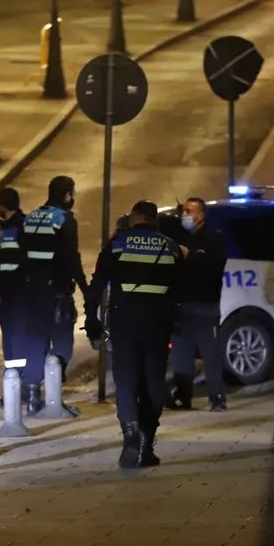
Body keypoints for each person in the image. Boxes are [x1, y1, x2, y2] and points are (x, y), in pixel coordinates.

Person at [85, 200, 183, 469]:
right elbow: (182, 289)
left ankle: (130, 436)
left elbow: (96, 285)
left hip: (123, 323)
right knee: (153, 381)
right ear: (155, 220)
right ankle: (146, 443)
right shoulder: (170, 246)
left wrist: (90, 317)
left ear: (132, 220)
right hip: (158, 324)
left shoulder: (117, 244)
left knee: (126, 380)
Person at [17, 175, 88, 413]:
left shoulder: (30, 217)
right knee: (62, 343)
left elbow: (21, 255)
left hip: (30, 292)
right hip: (56, 291)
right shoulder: (64, 220)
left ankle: (33, 395)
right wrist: (85, 288)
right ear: (67, 195)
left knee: (35, 341)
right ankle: (54, 399)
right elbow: (71, 257)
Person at [168, 197, 229, 412]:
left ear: (201, 215)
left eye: (188, 211)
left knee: (211, 357)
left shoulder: (212, 240)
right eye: (183, 211)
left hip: (205, 309)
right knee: (181, 358)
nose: (184, 215)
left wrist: (189, 256)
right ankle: (183, 397)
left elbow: (211, 268)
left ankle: (217, 399)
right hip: (182, 310)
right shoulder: (186, 238)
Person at [0, 188, 26, 408]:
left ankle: (20, 390)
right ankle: (13, 390)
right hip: (8, 297)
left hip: (18, 297)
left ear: (4, 205)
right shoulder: (5, 228)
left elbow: (20, 263)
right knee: (10, 347)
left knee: (17, 345)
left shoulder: (20, 227)